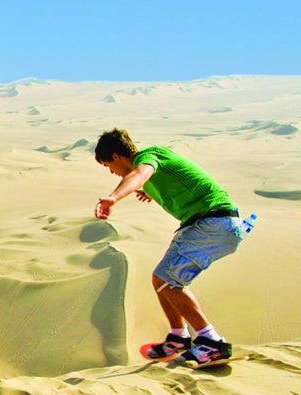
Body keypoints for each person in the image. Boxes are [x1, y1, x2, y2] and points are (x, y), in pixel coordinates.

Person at [93, 128, 244, 365]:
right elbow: (161, 180)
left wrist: (114, 197)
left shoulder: (148, 158)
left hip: (212, 222)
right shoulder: (153, 168)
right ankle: (178, 337)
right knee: (161, 279)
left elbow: (138, 175)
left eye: (108, 166)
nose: (112, 172)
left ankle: (211, 342)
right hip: (214, 224)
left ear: (115, 156)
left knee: (168, 280)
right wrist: (152, 193)